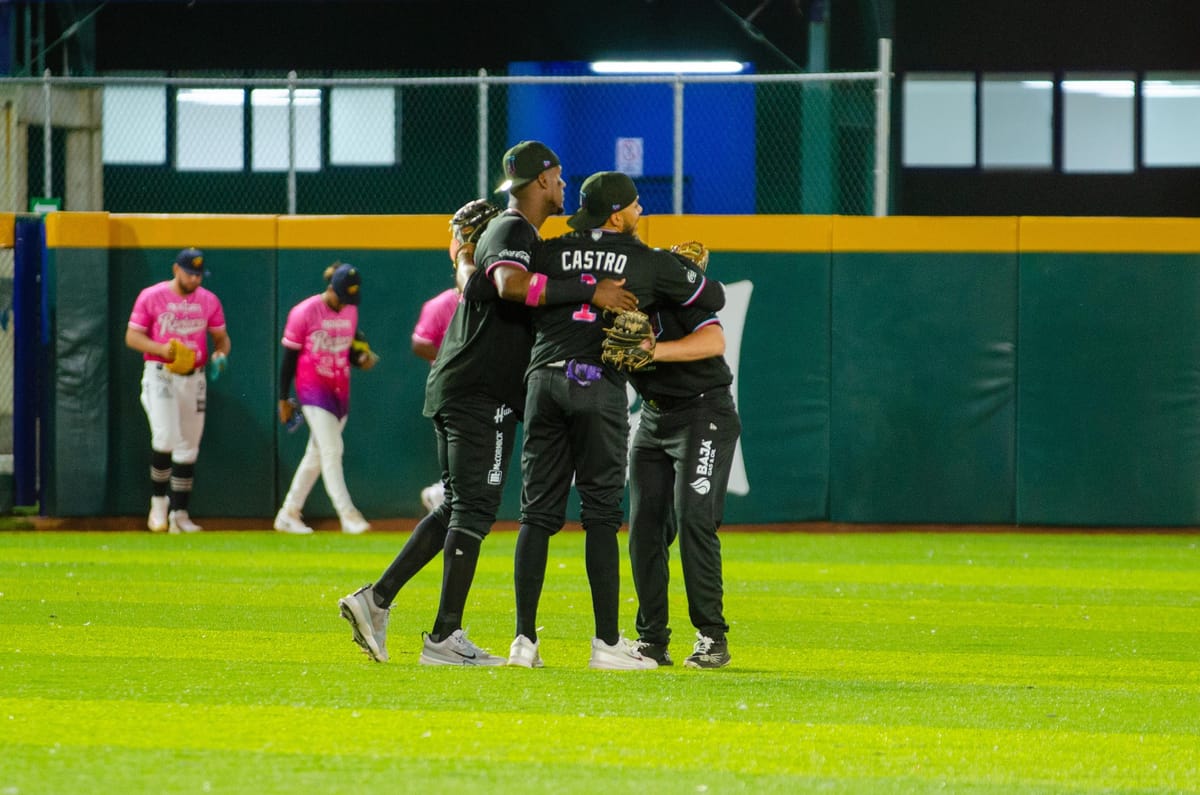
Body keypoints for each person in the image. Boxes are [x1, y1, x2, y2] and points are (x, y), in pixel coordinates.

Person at [337, 142, 636, 666]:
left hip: (466, 386)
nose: (565, 187)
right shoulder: (514, 227)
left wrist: (463, 258)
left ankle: (378, 601)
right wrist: (590, 291)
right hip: (480, 392)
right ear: (543, 180)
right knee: (474, 507)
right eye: (559, 177)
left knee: (459, 504)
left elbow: (482, 278)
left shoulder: (517, 235)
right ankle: (441, 637)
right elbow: (508, 283)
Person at [492, 170, 726, 670]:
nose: (642, 212)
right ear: (618, 213)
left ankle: (523, 642)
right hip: (598, 386)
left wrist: (579, 290)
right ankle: (610, 644)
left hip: (547, 380)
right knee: (604, 517)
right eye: (637, 206)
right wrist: (663, 284)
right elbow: (713, 297)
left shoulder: (548, 250)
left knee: (535, 516)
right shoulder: (648, 263)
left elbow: (513, 289)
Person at [624, 265, 740, 670]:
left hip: (704, 411)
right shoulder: (601, 308)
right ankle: (652, 640)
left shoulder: (672, 292)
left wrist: (652, 350)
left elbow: (714, 339)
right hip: (654, 419)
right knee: (644, 529)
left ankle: (712, 636)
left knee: (694, 518)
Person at [125, 247, 231, 534]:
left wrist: (220, 355)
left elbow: (221, 339)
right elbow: (132, 336)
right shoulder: (152, 295)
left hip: (193, 376)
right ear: (176, 270)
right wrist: (162, 349)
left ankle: (179, 514)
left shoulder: (208, 300)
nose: (194, 279)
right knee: (166, 435)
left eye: (198, 274)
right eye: (189, 273)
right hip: (161, 373)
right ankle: (158, 505)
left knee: (188, 445)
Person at [273, 262, 376, 536]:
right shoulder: (305, 312)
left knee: (316, 456)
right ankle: (348, 515)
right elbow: (289, 359)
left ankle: (288, 513)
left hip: (339, 389)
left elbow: (350, 349)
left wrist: (361, 358)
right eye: (343, 296)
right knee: (332, 451)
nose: (346, 303)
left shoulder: (350, 310)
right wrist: (283, 397)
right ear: (332, 289)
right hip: (312, 388)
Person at [411, 285, 460, 512]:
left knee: (474, 452)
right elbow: (420, 343)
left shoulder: (487, 301)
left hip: (480, 387)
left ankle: (440, 493)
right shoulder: (440, 304)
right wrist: (451, 359)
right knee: (460, 447)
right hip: (449, 387)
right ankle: (442, 495)